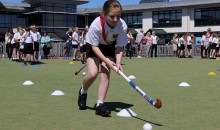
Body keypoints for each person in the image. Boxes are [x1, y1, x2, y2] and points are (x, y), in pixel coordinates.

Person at [77, 0, 127, 117]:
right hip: (94, 47)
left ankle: (100, 105)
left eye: (118, 16)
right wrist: (107, 61)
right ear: (104, 14)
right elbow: (94, 47)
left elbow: (119, 47)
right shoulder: (96, 25)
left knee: (105, 74)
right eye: (112, 16)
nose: (115, 19)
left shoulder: (122, 25)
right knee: (93, 74)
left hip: (109, 47)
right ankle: (83, 91)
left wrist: (118, 63)